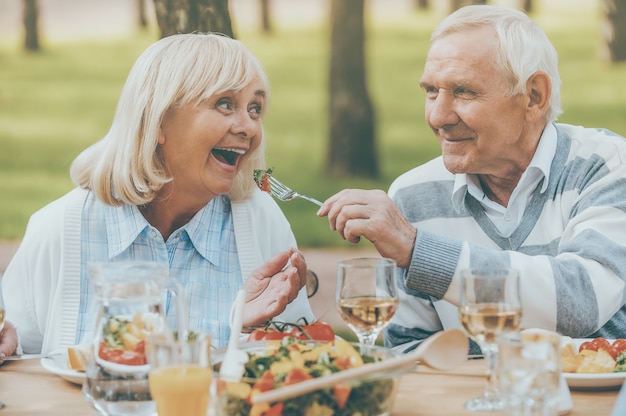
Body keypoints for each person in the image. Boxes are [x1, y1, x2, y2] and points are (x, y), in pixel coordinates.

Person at [317, 5, 626, 353]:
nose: (438, 116)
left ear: (534, 96)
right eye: (431, 90)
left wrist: (419, 250)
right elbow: (412, 351)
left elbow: (582, 300)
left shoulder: (606, 165)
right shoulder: (412, 195)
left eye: (464, 92)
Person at [0, 33, 314, 356]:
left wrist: (249, 333)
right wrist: (9, 343)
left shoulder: (262, 224)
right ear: (158, 121)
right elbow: (17, 355)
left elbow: (304, 367)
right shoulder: (59, 229)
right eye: (225, 103)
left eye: (255, 108)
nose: (248, 126)